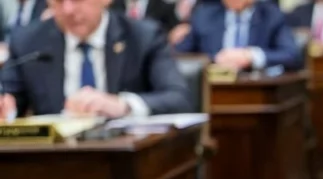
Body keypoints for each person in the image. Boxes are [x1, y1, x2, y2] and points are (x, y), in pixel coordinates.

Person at [0, 0, 190, 118]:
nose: (68, 10)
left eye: (77, 0)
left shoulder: (143, 37)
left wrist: (122, 105)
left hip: (124, 156)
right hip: (54, 160)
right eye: (58, 1)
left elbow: (178, 98)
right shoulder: (28, 42)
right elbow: (10, 97)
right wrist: (7, 108)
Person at [174, 0, 303, 71]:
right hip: (214, 89)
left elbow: (292, 55)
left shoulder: (271, 15)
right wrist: (214, 59)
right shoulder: (204, 15)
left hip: (255, 90)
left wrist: (251, 56)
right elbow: (181, 53)